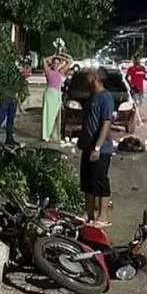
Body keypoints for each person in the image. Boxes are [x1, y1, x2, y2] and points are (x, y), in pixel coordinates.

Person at [78, 68, 115, 227]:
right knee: (87, 182)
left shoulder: (105, 97)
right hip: (87, 146)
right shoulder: (92, 96)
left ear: (94, 78)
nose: (85, 77)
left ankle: (103, 216)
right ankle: (89, 213)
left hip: (101, 149)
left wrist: (98, 147)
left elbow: (106, 123)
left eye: (88, 74)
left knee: (100, 181)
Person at [0, 60, 27, 148]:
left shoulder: (15, 70)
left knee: (11, 118)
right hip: (4, 96)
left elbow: (19, 83)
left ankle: (9, 138)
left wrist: (18, 97)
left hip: (13, 96)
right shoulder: (2, 69)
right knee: (1, 117)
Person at [41, 53, 71, 144]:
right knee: (48, 116)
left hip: (57, 95)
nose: (56, 65)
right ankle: (46, 135)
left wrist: (61, 56)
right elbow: (44, 60)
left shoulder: (61, 72)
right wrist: (54, 56)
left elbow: (70, 61)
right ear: (52, 64)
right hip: (49, 95)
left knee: (56, 117)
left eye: (58, 63)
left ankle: (53, 135)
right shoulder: (48, 71)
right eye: (55, 63)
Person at [126, 56, 147, 129]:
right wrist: (130, 85)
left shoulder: (142, 68)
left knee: (139, 104)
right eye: (136, 60)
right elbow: (126, 77)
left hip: (141, 89)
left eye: (138, 60)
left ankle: (135, 118)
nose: (137, 61)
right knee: (136, 105)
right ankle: (139, 121)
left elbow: (144, 77)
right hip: (134, 89)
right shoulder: (131, 69)